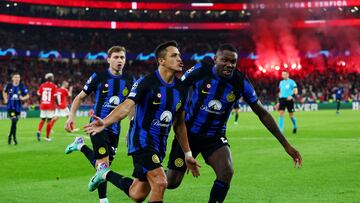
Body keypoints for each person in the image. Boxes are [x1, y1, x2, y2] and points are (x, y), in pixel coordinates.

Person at [166, 44, 302, 203]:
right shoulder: (201, 70)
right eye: (225, 60)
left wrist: (286, 145)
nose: (229, 65)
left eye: (233, 62)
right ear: (216, 59)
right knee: (171, 182)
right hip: (189, 133)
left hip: (215, 136)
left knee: (226, 171)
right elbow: (177, 88)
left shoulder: (240, 82)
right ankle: (146, 175)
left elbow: (263, 114)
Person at [84, 41, 200, 203]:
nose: (180, 59)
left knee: (137, 194)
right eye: (174, 55)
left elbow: (179, 124)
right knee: (160, 182)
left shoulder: (182, 89)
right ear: (161, 61)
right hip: (141, 141)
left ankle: (104, 174)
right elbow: (126, 106)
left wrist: (188, 154)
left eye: (179, 55)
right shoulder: (146, 82)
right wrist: (105, 122)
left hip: (160, 145)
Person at [64, 46, 133, 203]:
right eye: (116, 57)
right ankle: (103, 199)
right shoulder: (99, 77)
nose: (119, 60)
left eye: (122, 57)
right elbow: (79, 97)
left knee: (103, 166)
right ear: (108, 59)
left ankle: (80, 145)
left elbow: (131, 106)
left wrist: (131, 126)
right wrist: (70, 117)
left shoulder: (130, 80)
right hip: (96, 126)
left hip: (115, 128)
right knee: (103, 165)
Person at [2, 72, 29, 145]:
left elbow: (27, 95)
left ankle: (11, 136)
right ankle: (14, 138)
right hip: (10, 107)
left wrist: (23, 98)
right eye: (16, 77)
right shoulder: (9, 85)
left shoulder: (21, 86)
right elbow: (4, 92)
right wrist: (5, 99)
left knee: (14, 123)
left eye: (18, 77)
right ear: (12, 78)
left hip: (18, 108)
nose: (17, 79)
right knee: (14, 120)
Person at [36, 73, 57, 141]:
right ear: (51, 78)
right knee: (49, 121)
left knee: (42, 119)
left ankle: (39, 131)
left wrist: (40, 102)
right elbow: (55, 96)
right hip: (50, 105)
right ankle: (47, 137)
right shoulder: (54, 86)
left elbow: (38, 94)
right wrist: (57, 104)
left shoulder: (42, 85)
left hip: (43, 104)